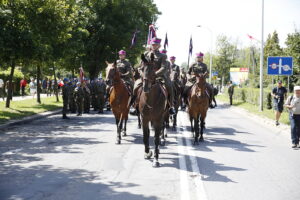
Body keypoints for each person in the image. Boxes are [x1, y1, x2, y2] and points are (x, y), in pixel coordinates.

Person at [131, 37, 176, 115]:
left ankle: (171, 106)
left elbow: (163, 68)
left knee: (169, 86)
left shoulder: (163, 56)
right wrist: (142, 73)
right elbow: (140, 67)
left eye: (156, 45)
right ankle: (135, 106)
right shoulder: (145, 54)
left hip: (159, 77)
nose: (154, 46)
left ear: (159, 46)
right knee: (135, 87)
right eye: (153, 45)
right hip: (145, 76)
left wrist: (154, 74)